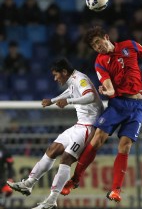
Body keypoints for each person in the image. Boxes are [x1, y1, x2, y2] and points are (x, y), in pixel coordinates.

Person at [61, 26, 142, 202]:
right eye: (93, 46)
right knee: (98, 138)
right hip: (117, 104)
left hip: (136, 106)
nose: (97, 47)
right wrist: (107, 91)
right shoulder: (100, 61)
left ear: (106, 37)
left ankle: (116, 189)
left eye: (97, 42)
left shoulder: (130, 45)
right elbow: (108, 87)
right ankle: (75, 179)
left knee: (125, 145)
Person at [7, 57, 103, 209]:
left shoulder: (80, 79)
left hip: (88, 127)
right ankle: (28, 184)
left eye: (56, 75)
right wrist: (52, 100)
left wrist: (69, 102)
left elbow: (90, 95)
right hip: (79, 125)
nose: (55, 78)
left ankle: (52, 200)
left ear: (64, 72)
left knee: (65, 159)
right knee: (52, 149)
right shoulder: (72, 80)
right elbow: (70, 92)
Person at [0, 142, 14, 208]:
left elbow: (10, 166)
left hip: (1, 179)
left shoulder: (3, 149)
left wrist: (10, 178)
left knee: (8, 191)